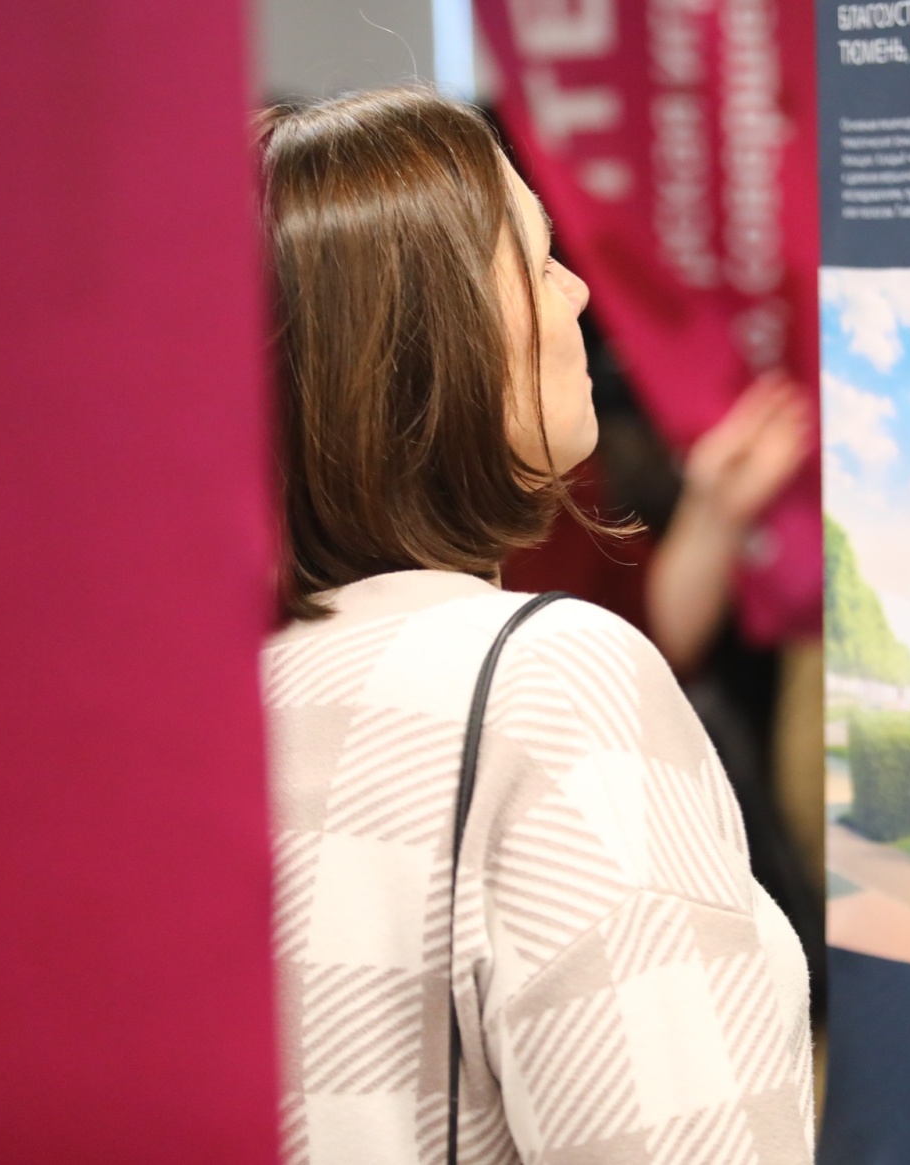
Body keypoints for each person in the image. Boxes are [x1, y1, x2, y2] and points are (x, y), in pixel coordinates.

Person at [257, 87, 815, 1165]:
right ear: (429, 338)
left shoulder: (227, 699)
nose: (576, 292)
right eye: (538, 258)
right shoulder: (544, 681)